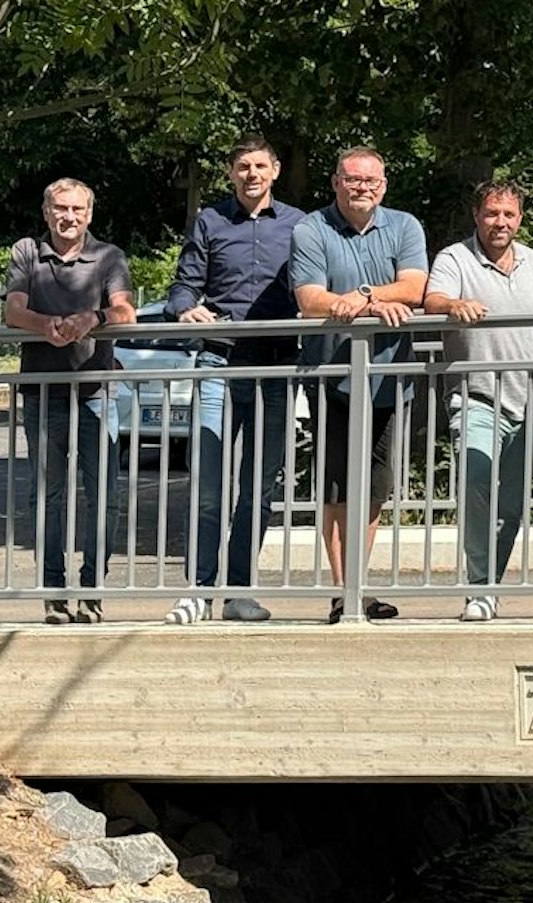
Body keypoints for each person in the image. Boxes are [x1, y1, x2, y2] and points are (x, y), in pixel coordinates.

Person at [161, 135, 305, 625]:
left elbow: (315, 285)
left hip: (277, 365)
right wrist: (184, 309)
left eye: (260, 166)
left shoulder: (299, 224)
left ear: (275, 170)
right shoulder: (211, 221)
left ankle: (239, 592)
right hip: (219, 364)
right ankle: (199, 590)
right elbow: (184, 284)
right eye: (243, 166)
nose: (251, 174)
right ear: (231, 173)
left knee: (259, 487)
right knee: (207, 482)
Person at [290, 145, 429, 623]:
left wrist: (363, 297)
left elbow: (414, 289)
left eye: (371, 180)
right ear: (335, 183)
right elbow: (311, 299)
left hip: (389, 377)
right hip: (332, 376)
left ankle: (359, 588)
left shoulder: (405, 225)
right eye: (352, 179)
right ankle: (340, 595)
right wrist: (374, 306)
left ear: (384, 184)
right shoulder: (311, 229)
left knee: (373, 489)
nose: (362, 187)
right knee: (336, 489)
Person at [423, 182, 533, 622]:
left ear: (519, 218)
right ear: (476, 215)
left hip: (530, 397)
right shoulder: (455, 258)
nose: (500, 222)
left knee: (512, 504)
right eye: (492, 213)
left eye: (509, 214)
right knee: (476, 480)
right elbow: (432, 299)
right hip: (477, 394)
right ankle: (478, 588)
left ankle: (489, 586)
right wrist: (454, 304)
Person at [3, 177, 136, 625]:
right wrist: (47, 326)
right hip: (42, 390)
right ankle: (54, 591)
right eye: (61, 208)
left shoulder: (110, 256)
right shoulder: (26, 251)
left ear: (90, 214)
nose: (69, 217)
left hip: (97, 391)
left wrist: (90, 318)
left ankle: (93, 587)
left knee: (104, 495)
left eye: (78, 209)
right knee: (48, 494)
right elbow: (13, 310)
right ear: (46, 212)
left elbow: (125, 312)